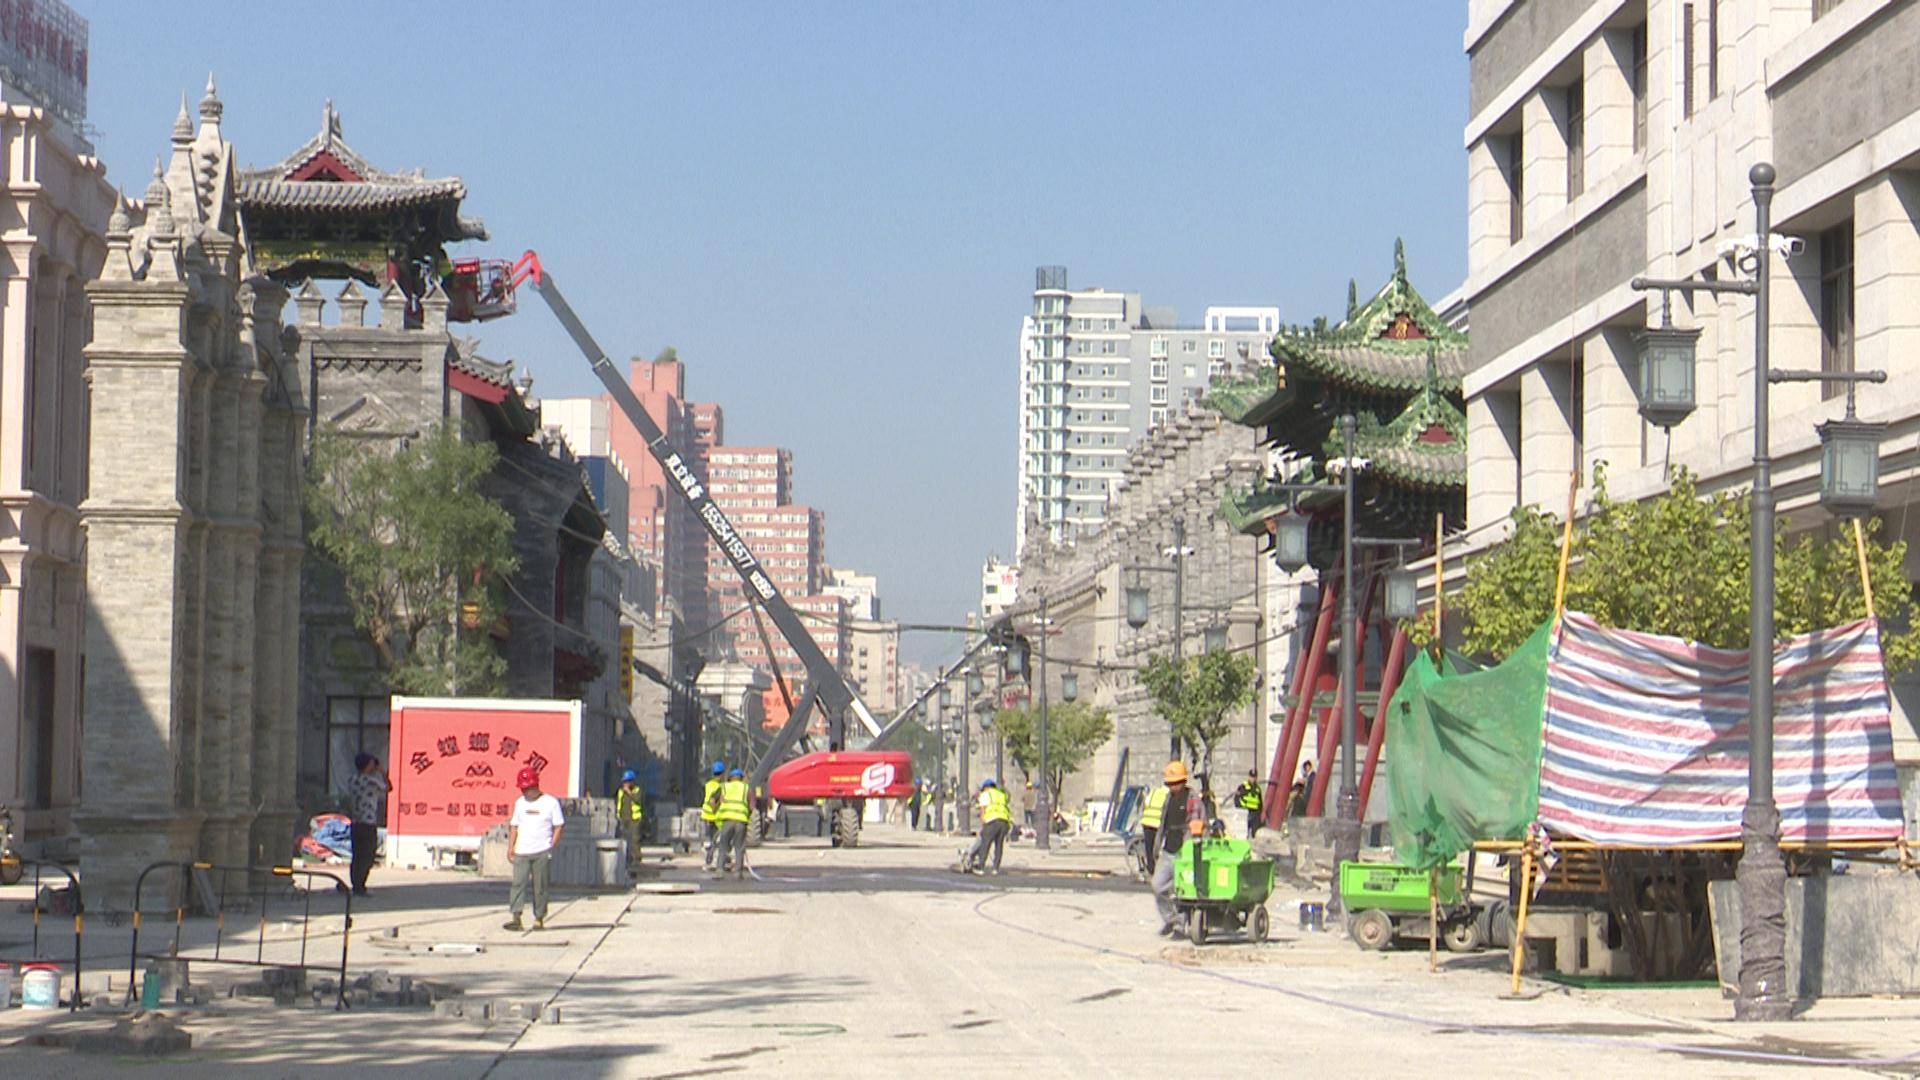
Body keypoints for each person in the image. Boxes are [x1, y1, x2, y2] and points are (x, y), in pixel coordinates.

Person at [504, 767, 565, 931]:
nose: (524, 792)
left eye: (527, 789)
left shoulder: (550, 803)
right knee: (518, 884)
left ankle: (539, 918)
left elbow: (559, 826)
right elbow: (514, 827)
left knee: (541, 886)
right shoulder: (520, 803)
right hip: (522, 851)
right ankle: (516, 917)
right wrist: (511, 847)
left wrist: (552, 844)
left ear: (535, 786)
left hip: (541, 851)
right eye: (522, 789)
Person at [1151, 760, 1193, 936]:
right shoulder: (1168, 799)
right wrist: (1156, 845)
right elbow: (1162, 823)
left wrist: (1191, 850)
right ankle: (1170, 918)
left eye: (1175, 783)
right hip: (1168, 849)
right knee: (1157, 885)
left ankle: (1179, 926)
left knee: (1180, 890)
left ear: (1183, 782)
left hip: (1184, 852)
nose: (1172, 786)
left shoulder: (1192, 799)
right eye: (1170, 783)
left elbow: (1198, 825)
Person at [345, 753, 390, 897]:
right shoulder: (371, 782)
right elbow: (389, 788)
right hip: (368, 823)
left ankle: (356, 884)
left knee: (357, 855)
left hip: (355, 823)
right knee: (368, 855)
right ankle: (360, 886)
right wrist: (382, 772)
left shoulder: (352, 780)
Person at [965, 779, 1011, 875]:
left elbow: (983, 810)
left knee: (985, 844)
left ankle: (981, 867)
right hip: (1004, 821)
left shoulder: (986, 794)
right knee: (999, 845)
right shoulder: (1001, 795)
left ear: (986, 787)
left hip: (991, 821)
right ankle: (996, 868)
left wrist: (983, 822)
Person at [714, 767, 752, 879]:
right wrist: (746, 816)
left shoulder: (724, 787)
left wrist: (716, 813)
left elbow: (714, 801)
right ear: (741, 778)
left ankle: (719, 870)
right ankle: (738, 872)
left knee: (723, 846)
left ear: (730, 778)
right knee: (739, 847)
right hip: (741, 822)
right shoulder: (746, 788)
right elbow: (751, 805)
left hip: (727, 821)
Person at [615, 769, 646, 878]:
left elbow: (638, 800)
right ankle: (626, 865)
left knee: (635, 842)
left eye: (628, 782)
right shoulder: (620, 792)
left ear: (632, 782)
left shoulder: (637, 791)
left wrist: (629, 792)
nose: (626, 784)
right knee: (625, 843)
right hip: (624, 820)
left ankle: (636, 865)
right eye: (624, 782)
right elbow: (619, 804)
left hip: (635, 820)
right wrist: (618, 818)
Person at [1138, 775, 1170, 875]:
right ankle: (1157, 870)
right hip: (1157, 823)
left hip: (1146, 821)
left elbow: (1145, 803)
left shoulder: (1154, 791)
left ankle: (1150, 869)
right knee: (1158, 847)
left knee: (1149, 848)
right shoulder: (1168, 794)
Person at [700, 761, 725, 870]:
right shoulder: (720, 787)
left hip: (706, 816)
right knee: (716, 841)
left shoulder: (708, 785)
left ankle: (708, 860)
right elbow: (713, 801)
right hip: (715, 817)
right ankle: (712, 861)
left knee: (709, 841)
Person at [1234, 770, 1264, 838]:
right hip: (1246, 812)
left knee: (1255, 832)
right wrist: (1240, 809)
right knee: (1244, 832)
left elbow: (1260, 801)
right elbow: (1236, 798)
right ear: (1249, 777)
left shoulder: (1257, 788)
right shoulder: (1243, 786)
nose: (1253, 779)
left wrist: (1260, 812)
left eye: (1254, 777)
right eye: (1251, 777)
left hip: (1255, 813)